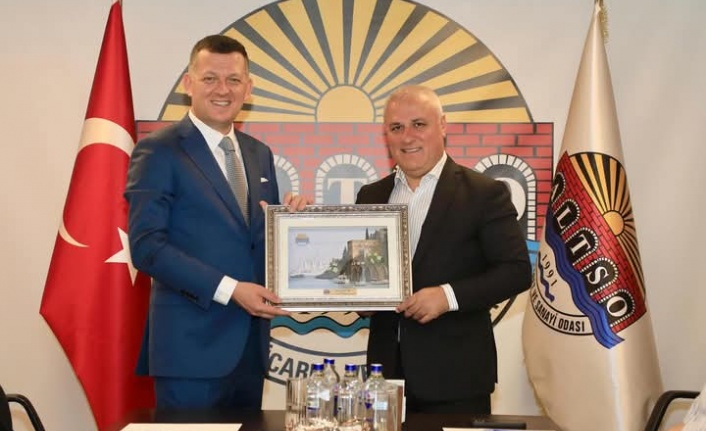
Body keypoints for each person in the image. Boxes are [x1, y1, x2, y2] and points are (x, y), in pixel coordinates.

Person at [125, 35, 307, 411]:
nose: (222, 90)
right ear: (188, 84)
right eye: (210, 78)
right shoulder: (158, 150)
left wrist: (290, 228)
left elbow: (254, 241)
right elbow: (147, 247)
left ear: (248, 88)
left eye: (233, 80)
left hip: (250, 352)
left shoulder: (258, 153)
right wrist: (231, 290)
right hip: (189, 353)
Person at [355, 85, 531, 414]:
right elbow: (360, 275)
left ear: (443, 125)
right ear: (386, 135)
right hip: (384, 377)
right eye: (397, 127)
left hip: (457, 378)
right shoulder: (370, 195)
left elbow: (516, 271)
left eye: (419, 124)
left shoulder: (484, 193)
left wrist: (447, 296)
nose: (407, 137)